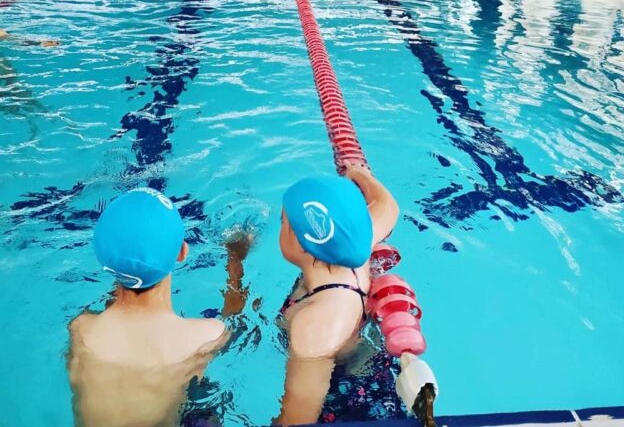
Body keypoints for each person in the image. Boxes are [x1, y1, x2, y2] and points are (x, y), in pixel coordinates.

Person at [67, 188, 252, 427]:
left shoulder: (81, 328)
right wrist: (235, 260)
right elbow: (237, 315)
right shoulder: (207, 335)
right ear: (182, 252)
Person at [275, 167, 400, 426]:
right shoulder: (354, 251)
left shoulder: (314, 324)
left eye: (283, 221)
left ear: (300, 240)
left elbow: (298, 419)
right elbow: (388, 207)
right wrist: (359, 174)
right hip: (370, 374)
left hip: (348, 410)